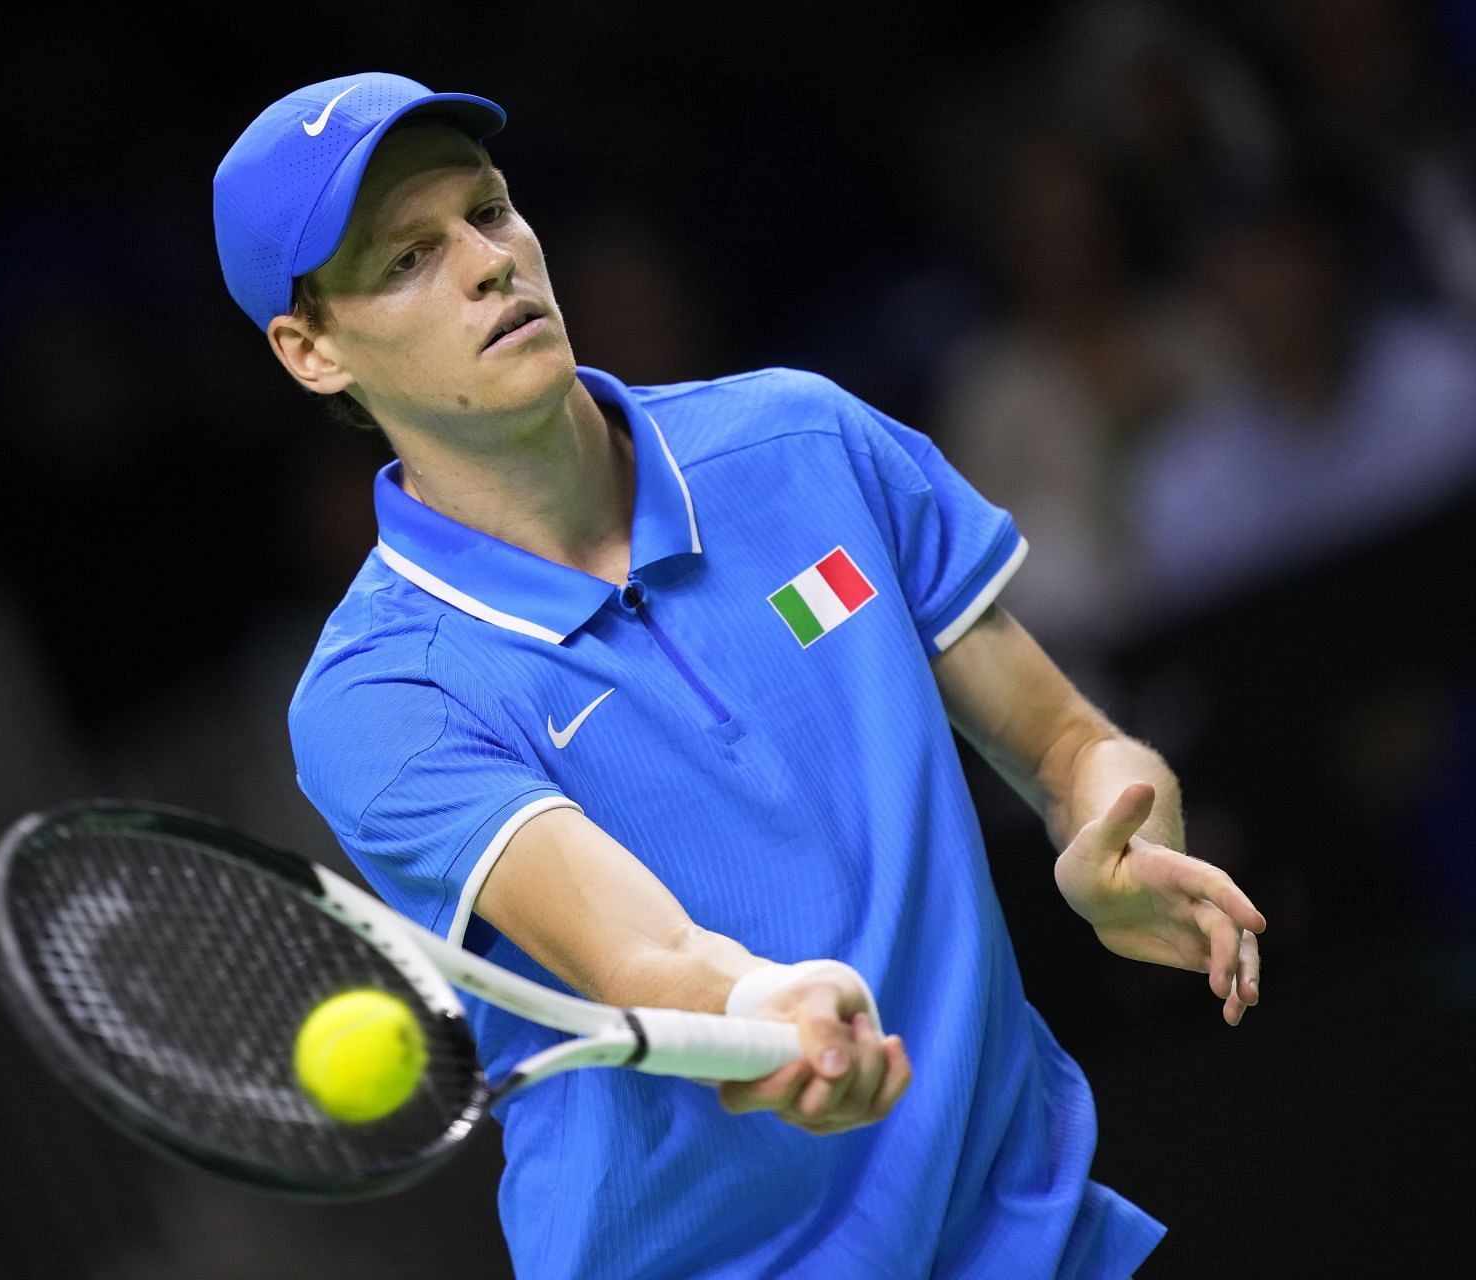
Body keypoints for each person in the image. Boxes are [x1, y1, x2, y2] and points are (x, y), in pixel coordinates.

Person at [213, 73, 1266, 1280]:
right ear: (310, 350)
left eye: (489, 213)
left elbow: (1069, 744)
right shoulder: (379, 697)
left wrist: (1114, 830)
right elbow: (646, 956)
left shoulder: (801, 443)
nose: (486, 265)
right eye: (406, 259)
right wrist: (764, 1011)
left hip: (1029, 1229)